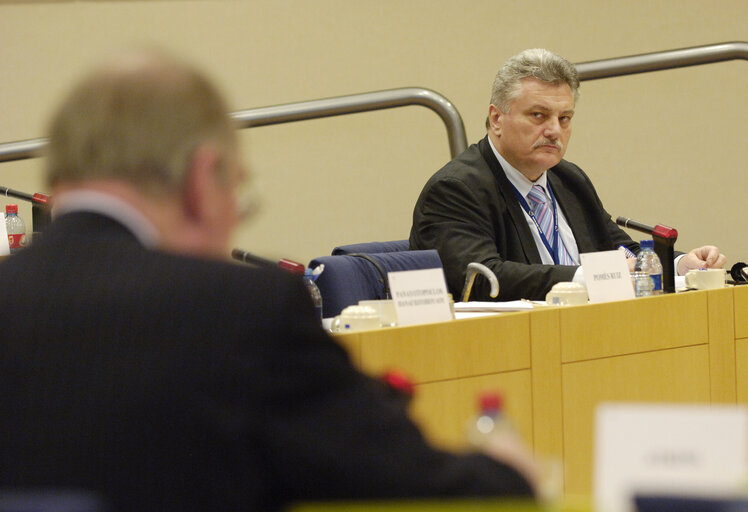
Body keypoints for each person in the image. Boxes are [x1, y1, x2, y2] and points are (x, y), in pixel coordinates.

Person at [0, 49, 536, 511]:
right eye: (238, 195)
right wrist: (507, 472)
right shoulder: (241, 311)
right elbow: (405, 481)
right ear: (200, 178)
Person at [410, 48, 725, 301]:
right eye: (538, 115)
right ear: (496, 119)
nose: (554, 131)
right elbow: (481, 279)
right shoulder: (457, 189)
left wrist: (679, 265)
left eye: (564, 118)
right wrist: (582, 277)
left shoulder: (567, 178)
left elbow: (617, 248)